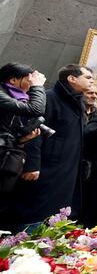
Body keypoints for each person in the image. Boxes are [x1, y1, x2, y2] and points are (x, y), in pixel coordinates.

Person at [18, 64, 94, 230]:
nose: (92, 81)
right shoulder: (49, 98)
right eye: (88, 77)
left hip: (67, 168)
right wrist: (32, 164)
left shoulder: (78, 103)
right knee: (36, 213)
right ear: (72, 78)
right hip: (46, 167)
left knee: (56, 218)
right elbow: (34, 132)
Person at [0, 63, 46, 221]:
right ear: (13, 80)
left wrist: (21, 140)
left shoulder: (18, 99)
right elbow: (36, 109)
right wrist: (38, 86)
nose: (32, 83)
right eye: (29, 79)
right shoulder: (2, 94)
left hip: (6, 158)